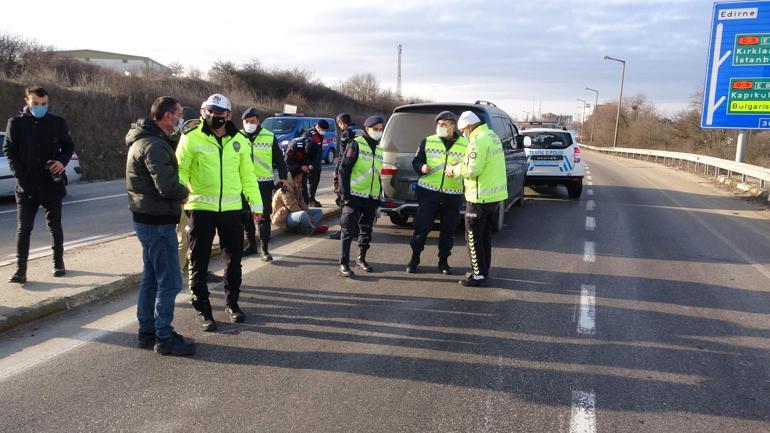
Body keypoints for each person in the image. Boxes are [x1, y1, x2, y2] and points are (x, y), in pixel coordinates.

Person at [176, 94, 262, 331]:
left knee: (233, 261)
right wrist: (181, 194)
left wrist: (256, 206)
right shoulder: (191, 138)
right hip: (200, 209)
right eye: (209, 112)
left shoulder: (239, 141)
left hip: (232, 210)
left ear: (229, 115)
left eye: (219, 113)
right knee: (199, 261)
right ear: (204, 112)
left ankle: (232, 303)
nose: (214, 117)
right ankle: (203, 310)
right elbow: (180, 170)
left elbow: (247, 176)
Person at [125, 96, 195, 356]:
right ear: (168, 116)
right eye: (178, 115)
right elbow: (166, 185)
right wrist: (184, 192)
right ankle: (163, 337)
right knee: (170, 282)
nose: (180, 120)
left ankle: (147, 332)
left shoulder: (144, 140)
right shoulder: (153, 145)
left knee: (151, 278)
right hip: (156, 221)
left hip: (147, 218)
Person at [4, 86, 74, 283]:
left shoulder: (57, 122)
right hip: (26, 185)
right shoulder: (16, 123)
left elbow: (68, 146)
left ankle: (58, 263)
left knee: (55, 226)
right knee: (23, 228)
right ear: (27, 100)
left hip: (51, 184)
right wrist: (20, 176)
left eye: (44, 104)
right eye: (36, 103)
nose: (40, 107)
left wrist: (61, 161)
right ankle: (20, 270)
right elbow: (9, 150)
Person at [447, 111, 508, 287]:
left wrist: (454, 170)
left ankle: (478, 275)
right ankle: (483, 269)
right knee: (485, 236)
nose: (464, 134)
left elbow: (472, 170)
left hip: (479, 197)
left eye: (464, 130)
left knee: (472, 237)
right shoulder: (492, 136)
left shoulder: (477, 141)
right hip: (493, 196)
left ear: (469, 127)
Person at [406, 111, 468, 275]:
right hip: (429, 193)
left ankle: (443, 262)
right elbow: (416, 161)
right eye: (438, 124)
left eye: (444, 124)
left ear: (453, 126)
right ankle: (414, 259)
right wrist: (421, 167)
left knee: (448, 231)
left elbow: (469, 168)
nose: (440, 127)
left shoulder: (465, 144)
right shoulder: (427, 141)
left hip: (452, 195)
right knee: (422, 228)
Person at [337, 115, 384, 278]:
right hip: (354, 196)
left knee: (366, 230)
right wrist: (345, 194)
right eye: (375, 129)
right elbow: (344, 169)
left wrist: (379, 195)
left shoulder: (379, 150)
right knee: (348, 230)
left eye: (380, 129)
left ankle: (361, 259)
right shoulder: (356, 144)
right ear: (367, 129)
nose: (378, 132)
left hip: (371, 197)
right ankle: (343, 263)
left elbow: (377, 175)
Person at [240, 107, 288, 261]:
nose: (249, 124)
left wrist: (283, 177)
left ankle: (264, 249)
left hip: (264, 183)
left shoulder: (269, 136)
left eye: (252, 121)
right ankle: (251, 244)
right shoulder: (237, 136)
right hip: (242, 183)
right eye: (246, 121)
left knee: (263, 216)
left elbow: (279, 159)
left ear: (258, 121)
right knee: (245, 215)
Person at [272, 167, 328, 235]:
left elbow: (301, 202)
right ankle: (313, 228)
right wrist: (306, 214)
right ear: (297, 176)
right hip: (283, 216)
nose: (302, 177)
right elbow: (291, 206)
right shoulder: (285, 188)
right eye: (301, 175)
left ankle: (305, 229)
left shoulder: (297, 185)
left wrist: (308, 212)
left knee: (318, 212)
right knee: (303, 215)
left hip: (293, 213)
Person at [329, 113, 356, 240]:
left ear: (341, 122)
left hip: (347, 172)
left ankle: (344, 231)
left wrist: (336, 171)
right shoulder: (360, 130)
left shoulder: (346, 133)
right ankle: (355, 229)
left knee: (344, 201)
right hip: (360, 172)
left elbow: (342, 155)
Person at [303, 119, 329, 207]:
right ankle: (309, 200)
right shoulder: (309, 134)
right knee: (311, 181)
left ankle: (312, 198)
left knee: (316, 181)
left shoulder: (320, 135)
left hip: (317, 161)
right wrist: (308, 163)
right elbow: (305, 150)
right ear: (318, 126)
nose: (324, 132)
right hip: (309, 162)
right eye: (323, 130)